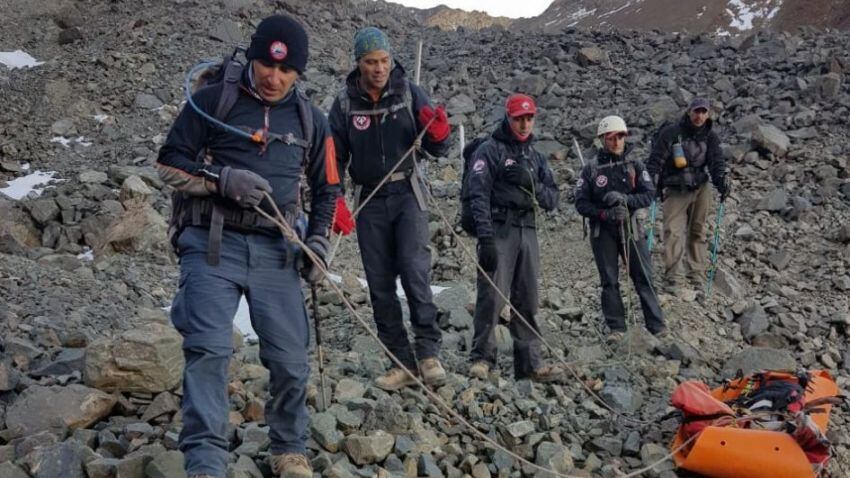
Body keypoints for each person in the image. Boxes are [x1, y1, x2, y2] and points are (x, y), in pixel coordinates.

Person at [156, 15, 341, 478]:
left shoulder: (310, 120)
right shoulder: (211, 100)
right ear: (253, 57)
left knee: (290, 360)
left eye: (286, 71)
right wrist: (222, 179)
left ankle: (289, 448)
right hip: (211, 243)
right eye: (266, 65)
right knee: (209, 350)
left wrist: (317, 241)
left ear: (299, 72)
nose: (273, 77)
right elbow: (168, 163)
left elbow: (328, 189)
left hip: (277, 250)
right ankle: (206, 462)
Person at [328, 27, 451, 391]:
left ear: (391, 59)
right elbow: (333, 154)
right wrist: (334, 196)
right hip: (369, 200)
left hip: (407, 193)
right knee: (380, 284)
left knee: (415, 271)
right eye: (370, 62)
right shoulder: (345, 103)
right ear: (358, 63)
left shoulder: (409, 93)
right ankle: (401, 362)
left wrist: (439, 133)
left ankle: (429, 354)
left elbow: (435, 146)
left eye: (383, 61)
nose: (379, 68)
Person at [466, 93, 563, 381]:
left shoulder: (536, 157)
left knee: (527, 299)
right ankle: (482, 358)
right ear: (508, 118)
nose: (524, 124)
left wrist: (530, 182)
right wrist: (484, 238)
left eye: (529, 118)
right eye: (519, 118)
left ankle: (529, 364)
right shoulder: (490, 150)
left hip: (528, 230)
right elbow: (477, 194)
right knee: (491, 297)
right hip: (499, 228)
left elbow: (553, 198)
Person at [575, 115, 665, 340]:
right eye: (611, 137)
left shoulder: (635, 165)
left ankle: (657, 326)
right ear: (602, 139)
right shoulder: (591, 170)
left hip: (631, 226)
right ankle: (616, 328)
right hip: (602, 230)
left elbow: (649, 194)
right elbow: (580, 202)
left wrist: (626, 201)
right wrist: (604, 213)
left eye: (620, 137)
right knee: (609, 280)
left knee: (644, 276)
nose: (616, 142)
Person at [646, 97, 730, 293]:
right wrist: (651, 184)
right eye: (696, 111)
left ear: (708, 114)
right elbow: (655, 160)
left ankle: (697, 273)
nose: (699, 116)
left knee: (698, 230)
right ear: (689, 112)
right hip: (675, 188)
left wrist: (721, 182)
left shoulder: (710, 137)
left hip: (701, 187)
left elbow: (716, 162)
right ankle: (674, 277)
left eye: (703, 112)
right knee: (673, 231)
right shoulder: (671, 133)